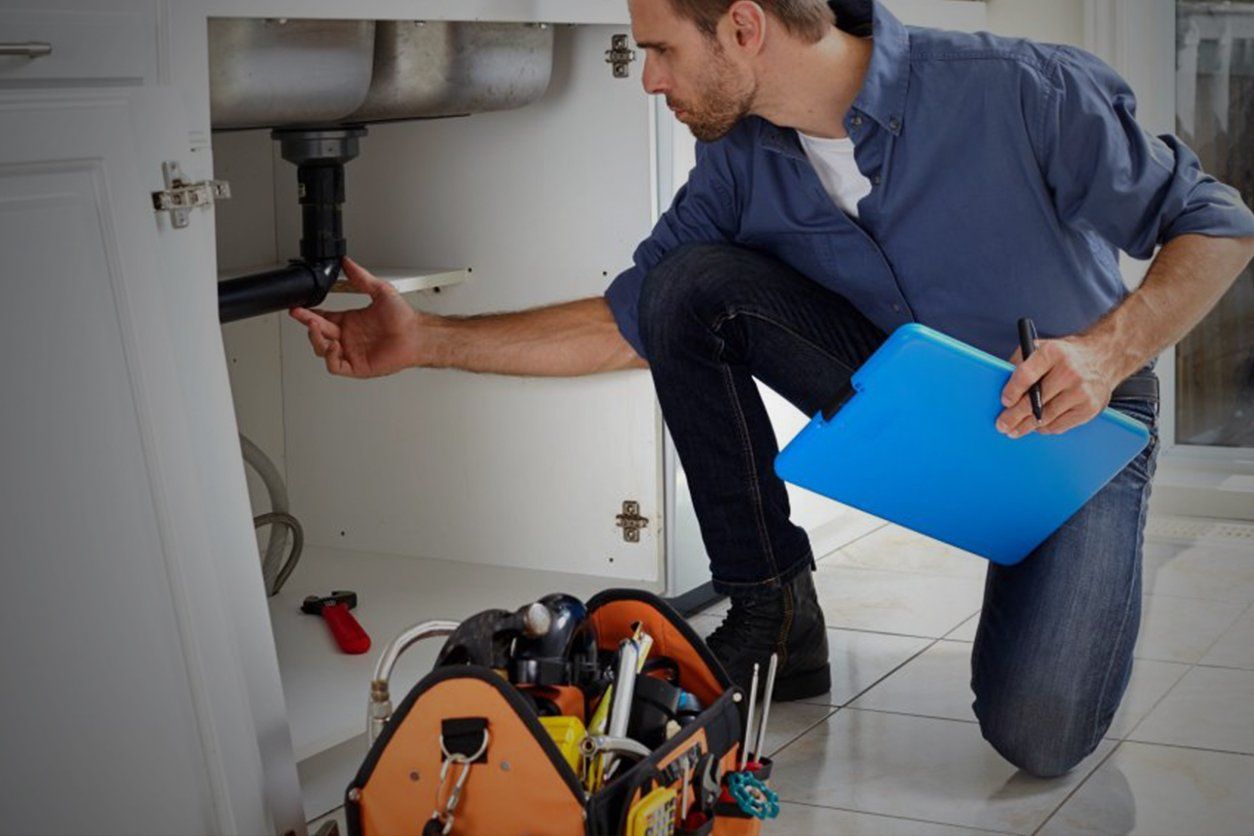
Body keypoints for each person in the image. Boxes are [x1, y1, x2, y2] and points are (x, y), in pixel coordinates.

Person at [290, 0, 1254, 776]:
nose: (651, 78)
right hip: (911, 397)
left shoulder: (1020, 89)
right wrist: (429, 341)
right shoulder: (742, 163)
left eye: (661, 48)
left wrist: (1107, 351)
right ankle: (775, 616)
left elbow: (1219, 224)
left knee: (1038, 738)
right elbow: (636, 321)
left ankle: (1035, 543)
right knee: (688, 285)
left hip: (1066, 422)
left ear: (745, 27)